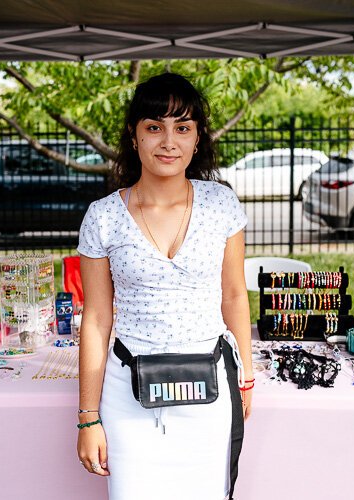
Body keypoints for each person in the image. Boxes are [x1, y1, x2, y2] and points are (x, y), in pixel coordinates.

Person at [76, 72, 253, 500]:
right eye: (154, 127)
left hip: (209, 390)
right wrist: (87, 418)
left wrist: (245, 378)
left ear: (197, 140)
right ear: (134, 138)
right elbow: (97, 319)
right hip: (128, 395)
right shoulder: (102, 216)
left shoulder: (221, 203)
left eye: (182, 128)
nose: (168, 141)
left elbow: (234, 295)